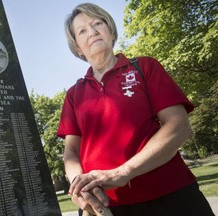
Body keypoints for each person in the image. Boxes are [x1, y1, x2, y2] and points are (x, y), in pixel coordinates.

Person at [57, 3, 214, 216]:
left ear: (110, 31)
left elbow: (179, 126)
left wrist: (123, 172)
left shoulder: (144, 67)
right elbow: (71, 153)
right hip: (106, 205)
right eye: (82, 30)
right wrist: (78, 185)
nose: (92, 32)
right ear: (77, 46)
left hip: (170, 194)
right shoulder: (74, 94)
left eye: (97, 23)